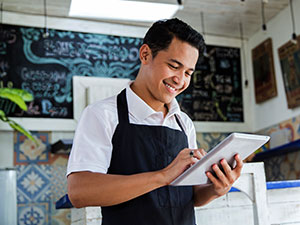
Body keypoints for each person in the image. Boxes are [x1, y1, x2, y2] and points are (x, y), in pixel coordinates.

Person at [67, 18, 243, 225]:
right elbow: (80, 192)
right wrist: (163, 176)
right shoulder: (102, 114)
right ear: (145, 55)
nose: (180, 80)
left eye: (188, 72)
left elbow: (190, 196)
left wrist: (215, 189)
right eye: (173, 66)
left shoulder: (183, 123)